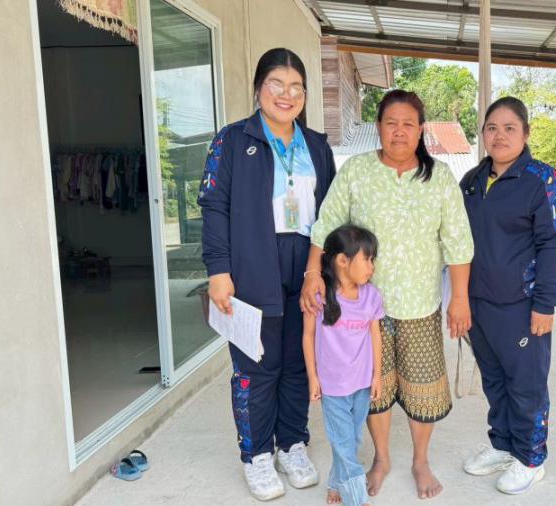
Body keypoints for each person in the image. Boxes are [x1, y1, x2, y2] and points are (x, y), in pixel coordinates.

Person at [302, 90, 474, 500]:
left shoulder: (439, 178)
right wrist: (312, 274)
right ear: (378, 126)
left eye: (408, 124)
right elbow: (326, 225)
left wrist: (460, 298)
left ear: (421, 130)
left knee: (424, 389)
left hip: (419, 306)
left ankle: (420, 461)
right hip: (360, 309)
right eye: (391, 123)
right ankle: (381, 459)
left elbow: (458, 243)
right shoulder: (357, 171)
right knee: (373, 388)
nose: (399, 131)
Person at [198, 48, 337, 501]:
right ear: (259, 88)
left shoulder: (316, 145)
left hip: (307, 261)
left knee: (298, 358)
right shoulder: (232, 140)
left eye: (296, 87)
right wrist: (218, 270)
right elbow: (214, 207)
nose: (286, 94)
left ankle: (292, 444)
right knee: (256, 363)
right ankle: (256, 454)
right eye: (277, 84)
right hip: (252, 261)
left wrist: (325, 270)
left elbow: (331, 212)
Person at [459, 97, 556, 495]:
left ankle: (531, 458)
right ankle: (503, 446)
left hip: (522, 305)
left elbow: (553, 244)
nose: (499, 136)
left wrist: (545, 304)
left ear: (525, 133)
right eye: (492, 127)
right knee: (495, 380)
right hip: (479, 303)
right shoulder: (472, 181)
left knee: (526, 385)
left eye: (509, 128)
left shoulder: (543, 179)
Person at [302, 225, 384, 506]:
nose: (372, 267)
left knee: (352, 440)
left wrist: (376, 375)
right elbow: (308, 336)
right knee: (344, 443)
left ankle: (335, 484)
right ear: (342, 260)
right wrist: (313, 377)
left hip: (361, 384)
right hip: (333, 386)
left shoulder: (371, 296)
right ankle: (357, 499)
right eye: (367, 259)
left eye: (373, 260)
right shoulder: (319, 296)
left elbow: (375, 336)